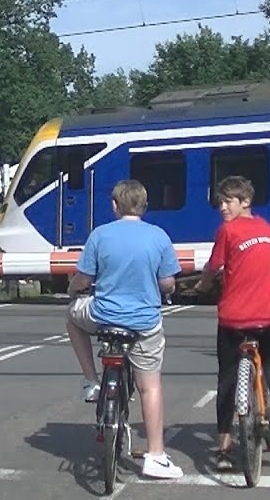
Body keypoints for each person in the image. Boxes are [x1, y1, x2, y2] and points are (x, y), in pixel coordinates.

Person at [65, 179, 184, 480]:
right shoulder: (159, 236)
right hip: (144, 323)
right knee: (150, 386)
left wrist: (73, 291)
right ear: (144, 206)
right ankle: (156, 456)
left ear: (115, 205)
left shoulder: (100, 235)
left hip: (103, 316)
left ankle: (92, 381)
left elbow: (83, 279)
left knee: (72, 318)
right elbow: (168, 283)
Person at [195, 175, 270, 472]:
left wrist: (203, 285)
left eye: (228, 201)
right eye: (220, 202)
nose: (222, 207)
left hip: (233, 318)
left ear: (245, 201)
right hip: (269, 316)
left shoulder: (227, 231)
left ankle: (224, 450)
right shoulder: (268, 229)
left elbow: (214, 267)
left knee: (227, 380)